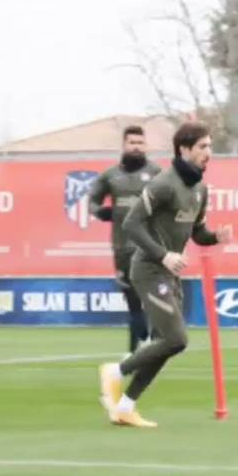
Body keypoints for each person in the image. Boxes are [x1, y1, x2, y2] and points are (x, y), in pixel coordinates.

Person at [98, 122, 232, 428]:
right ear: (184, 150)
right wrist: (164, 255)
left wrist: (216, 236)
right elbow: (131, 223)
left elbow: (197, 233)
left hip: (170, 273)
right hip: (148, 269)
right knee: (177, 338)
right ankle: (115, 372)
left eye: (210, 146)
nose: (208, 152)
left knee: (166, 343)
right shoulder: (164, 183)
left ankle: (125, 407)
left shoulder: (200, 189)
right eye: (202, 147)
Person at [88, 125, 162, 353]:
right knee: (133, 304)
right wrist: (100, 212)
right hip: (121, 249)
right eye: (132, 143)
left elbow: (169, 203)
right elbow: (92, 200)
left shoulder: (157, 173)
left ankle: (140, 348)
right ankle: (138, 347)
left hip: (147, 247)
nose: (137, 147)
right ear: (124, 145)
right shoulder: (111, 176)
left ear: (146, 146)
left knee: (147, 298)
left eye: (140, 143)